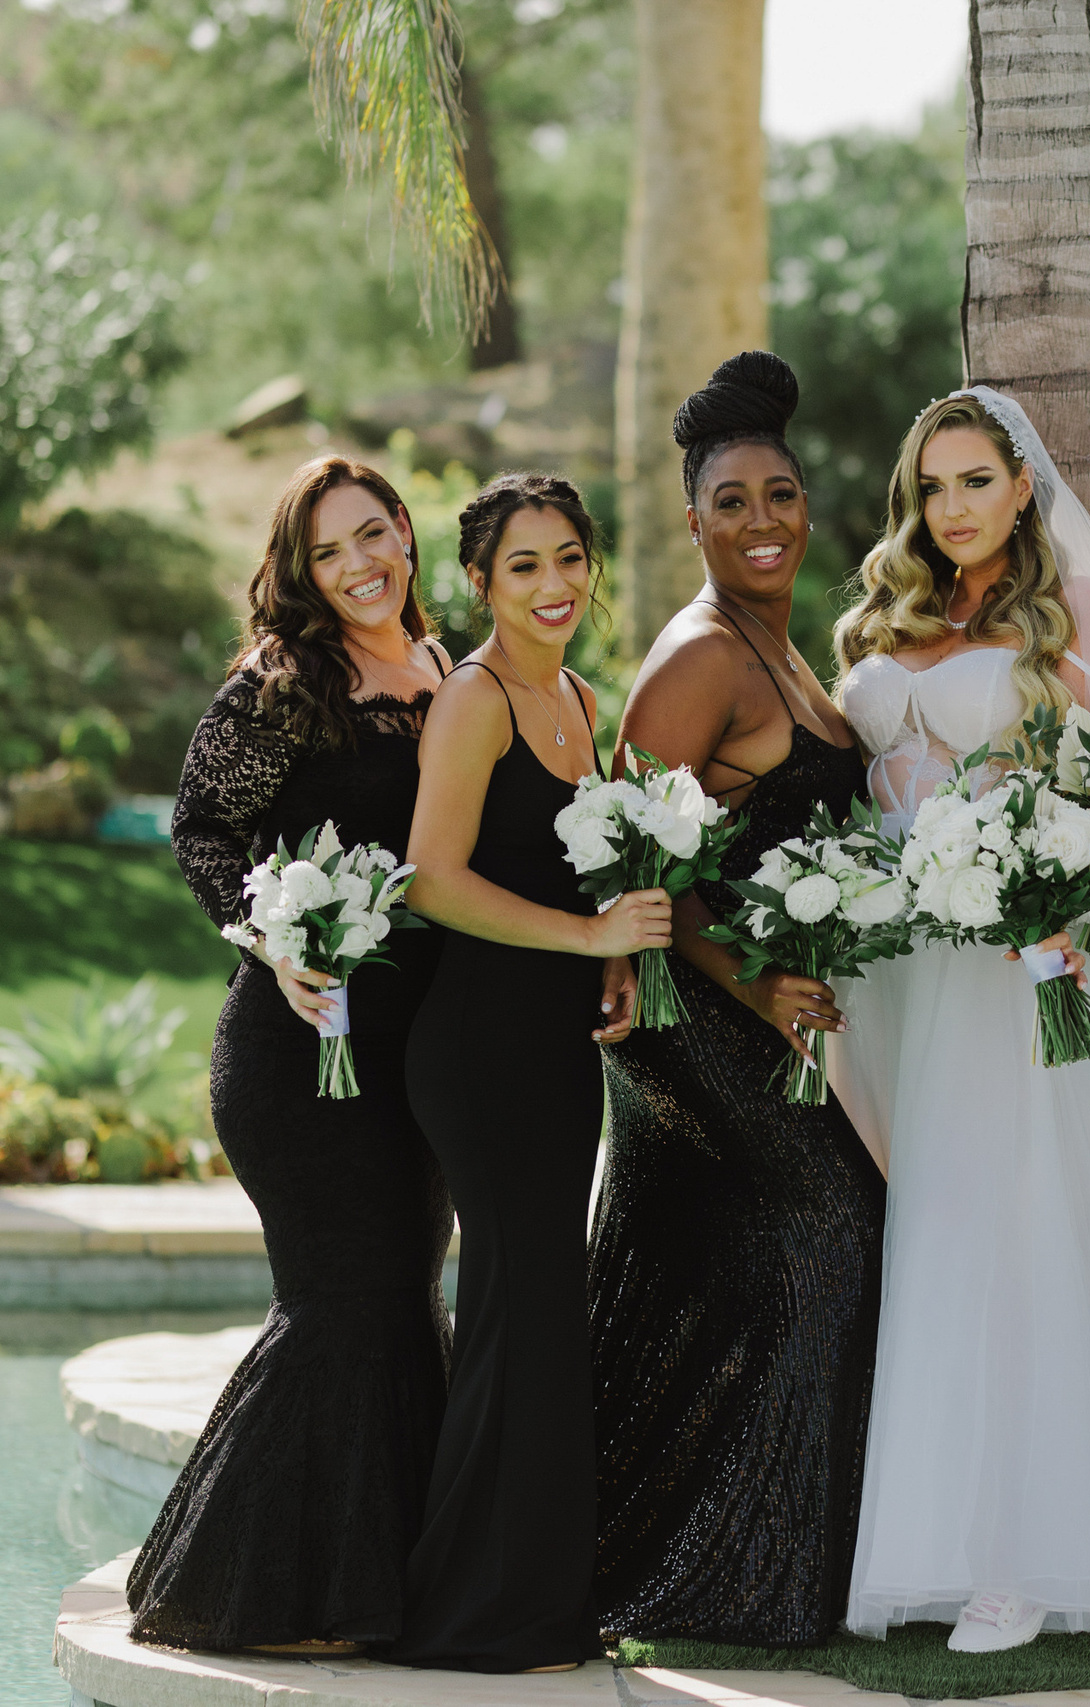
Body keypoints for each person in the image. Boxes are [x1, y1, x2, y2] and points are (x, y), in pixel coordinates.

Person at [829, 387, 1090, 1653]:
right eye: (934, 487)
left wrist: (1056, 910)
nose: (953, 507)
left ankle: (1033, 1553)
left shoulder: (1073, 611)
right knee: (940, 1236)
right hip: (911, 971)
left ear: (1025, 486)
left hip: (1033, 972)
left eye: (976, 480)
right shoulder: (890, 617)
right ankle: (930, 1543)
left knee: (1031, 1235)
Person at [134, 457, 455, 1655]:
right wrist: (272, 940)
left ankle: (385, 1592)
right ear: (302, 572)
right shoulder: (285, 686)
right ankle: (256, 1596)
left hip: (414, 1061)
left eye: (375, 534)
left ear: (407, 534)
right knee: (344, 1301)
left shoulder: (452, 671)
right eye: (331, 550)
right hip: (297, 1046)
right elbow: (202, 828)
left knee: (404, 1292)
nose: (363, 563)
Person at [589, 352, 885, 1646]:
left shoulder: (783, 644)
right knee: (835, 1224)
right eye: (731, 501)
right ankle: (740, 1575)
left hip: (757, 1012)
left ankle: (712, 1550)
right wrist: (754, 976)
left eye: (782, 492)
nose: (762, 520)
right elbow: (624, 856)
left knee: (730, 1275)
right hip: (688, 1018)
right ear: (693, 518)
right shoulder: (699, 656)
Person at [389, 475, 670, 1674]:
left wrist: (605, 957)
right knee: (515, 1311)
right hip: (474, 1051)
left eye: (569, 560)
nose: (554, 586)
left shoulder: (582, 698)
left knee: (547, 1314)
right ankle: (470, 1616)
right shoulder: (476, 698)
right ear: (478, 583)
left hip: (556, 1048)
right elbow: (433, 878)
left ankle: (545, 1603)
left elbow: (566, 876)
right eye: (524, 568)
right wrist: (587, 940)